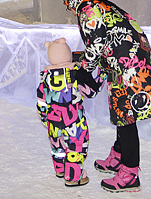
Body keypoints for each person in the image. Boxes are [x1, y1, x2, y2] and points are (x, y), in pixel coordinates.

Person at [62, 0, 151, 193]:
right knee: (121, 113)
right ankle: (118, 156)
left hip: (129, 65)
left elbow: (96, 46)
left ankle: (129, 174)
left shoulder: (88, 10)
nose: (71, 12)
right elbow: (104, 41)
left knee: (126, 117)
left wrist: (81, 71)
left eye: (68, 6)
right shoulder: (98, 4)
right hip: (129, 59)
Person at [36, 37, 100, 188]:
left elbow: (40, 101)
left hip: (53, 120)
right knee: (76, 146)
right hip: (74, 121)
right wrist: (101, 76)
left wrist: (45, 118)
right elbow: (90, 92)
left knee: (57, 146)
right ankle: (73, 176)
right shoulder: (74, 74)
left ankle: (60, 169)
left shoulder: (45, 78)